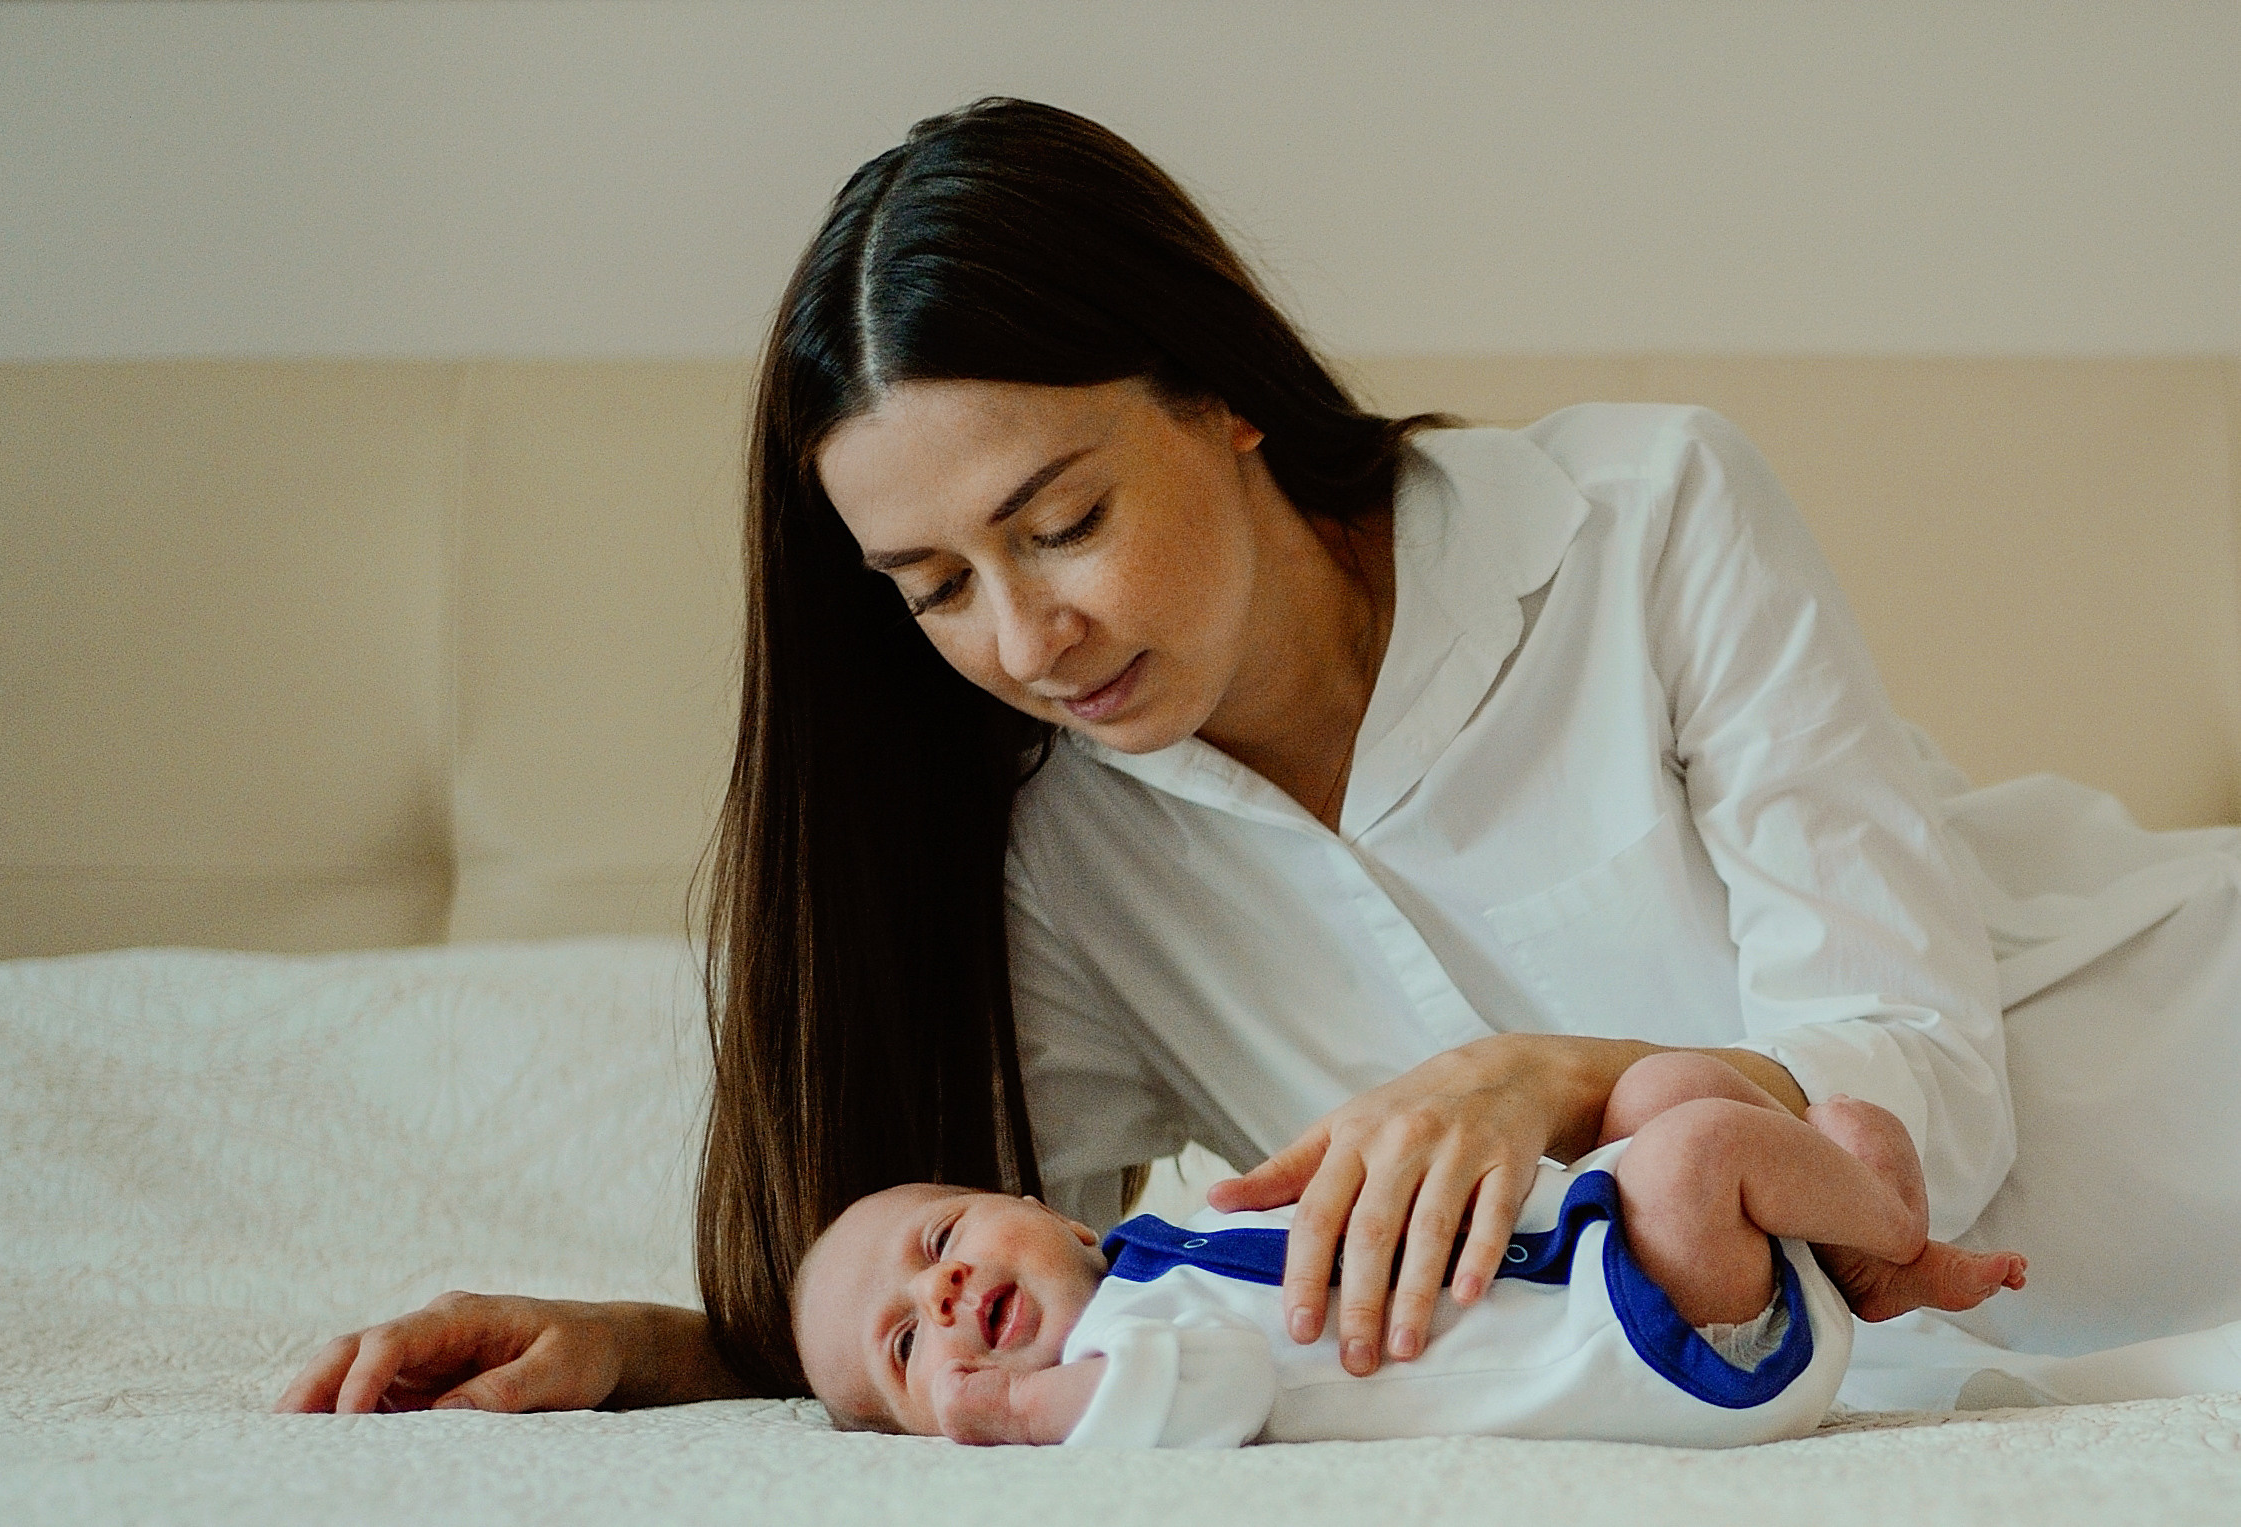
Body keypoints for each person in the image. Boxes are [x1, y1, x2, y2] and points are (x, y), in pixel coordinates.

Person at [277, 96, 2241, 1420]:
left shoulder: (1644, 512)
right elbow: (1044, 1286)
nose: (1022, 638)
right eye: (928, 583)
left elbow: (1919, 1106)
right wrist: (659, 1349)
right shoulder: (1061, 862)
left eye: (1056, 520)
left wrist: (1534, 1079)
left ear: (1211, 390)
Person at [792, 1053, 2026, 1447]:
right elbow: (1207, 1391)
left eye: (940, 1238)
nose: (941, 1290)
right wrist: (1010, 1414)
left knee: (1668, 1086)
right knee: (1699, 1148)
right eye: (908, 1341)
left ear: (1063, 1219)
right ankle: (1896, 1246)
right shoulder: (1122, 1351)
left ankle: (1854, 1250)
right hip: (1645, 1346)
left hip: (1589, 1244)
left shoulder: (1169, 1246)